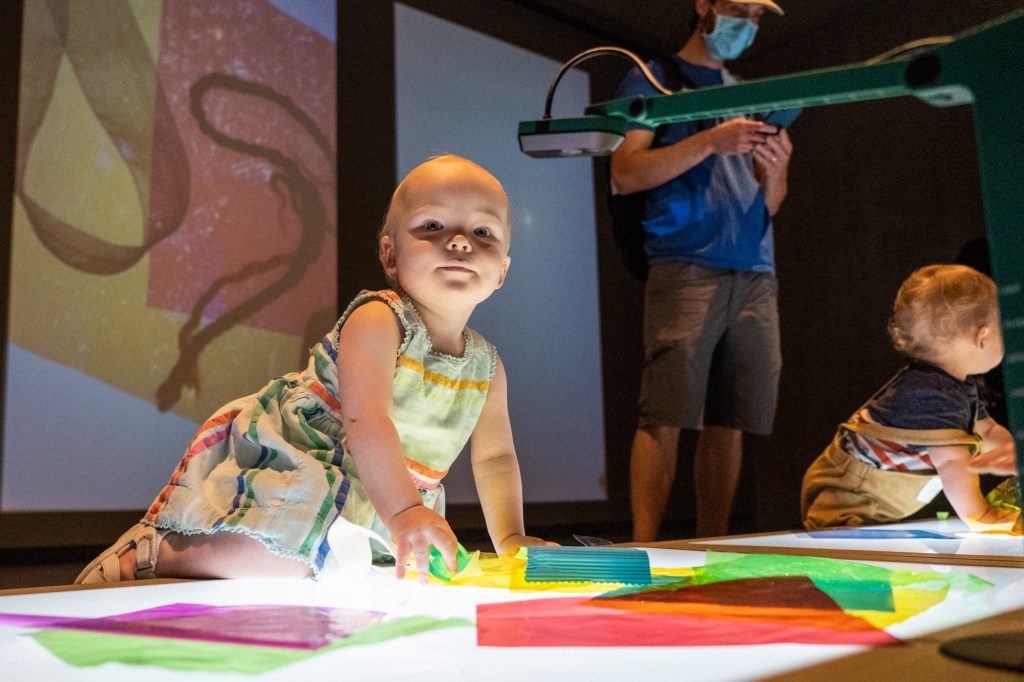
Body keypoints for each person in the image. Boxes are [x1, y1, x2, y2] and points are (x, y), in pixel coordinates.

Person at [75, 155, 553, 585]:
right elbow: (367, 419)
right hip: (313, 462)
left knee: (359, 572)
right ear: (390, 254)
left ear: (503, 271)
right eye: (431, 226)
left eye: (483, 232)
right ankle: (156, 552)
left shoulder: (487, 366)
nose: (459, 242)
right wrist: (406, 509)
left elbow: (495, 458)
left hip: (384, 494)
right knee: (290, 561)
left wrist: (511, 537)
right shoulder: (380, 319)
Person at [611, 0, 793, 541]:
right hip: (685, 262)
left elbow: (773, 201)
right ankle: (645, 547)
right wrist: (711, 140)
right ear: (706, 6)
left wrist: (777, 169)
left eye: (759, 18)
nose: (749, 25)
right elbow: (625, 172)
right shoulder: (655, 79)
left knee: (731, 417)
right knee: (665, 411)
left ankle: (713, 544)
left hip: (756, 268)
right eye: (741, 10)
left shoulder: (751, 93)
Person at [801, 265, 1020, 531]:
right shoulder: (933, 394)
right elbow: (952, 463)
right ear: (982, 336)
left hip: (872, 504)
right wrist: (980, 516)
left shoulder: (955, 387)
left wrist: (1015, 454)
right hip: (846, 501)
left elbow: (987, 431)